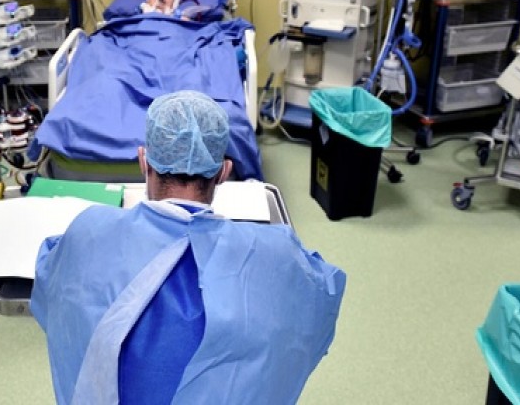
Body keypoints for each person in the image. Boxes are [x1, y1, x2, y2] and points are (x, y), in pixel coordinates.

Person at [31, 90, 346, 405]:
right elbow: (321, 297)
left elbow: (50, 286)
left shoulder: (89, 231)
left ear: (143, 162)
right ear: (223, 173)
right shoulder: (275, 252)